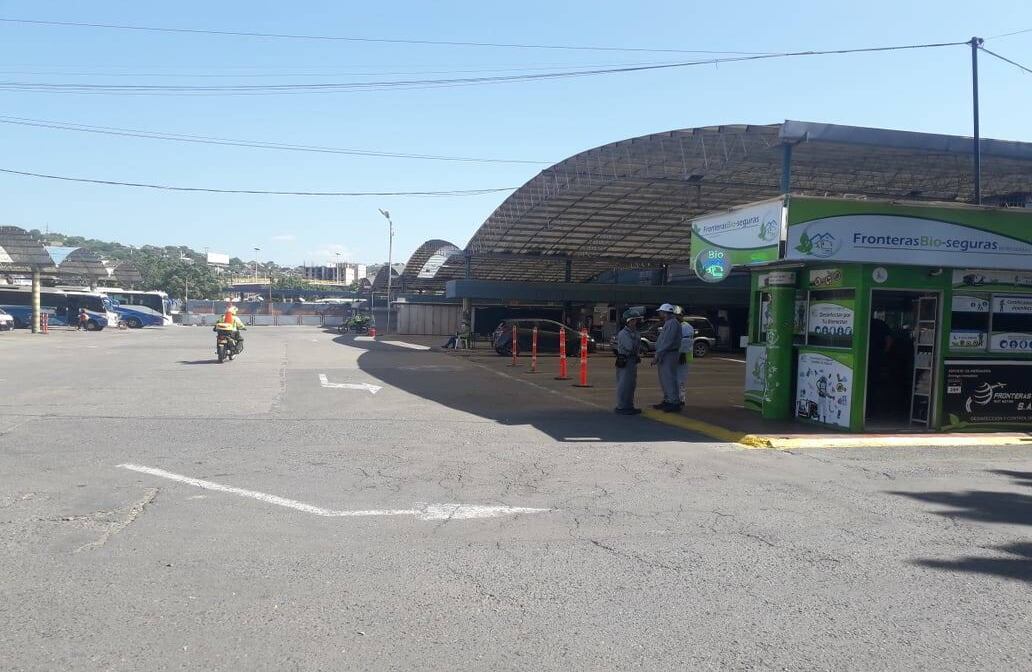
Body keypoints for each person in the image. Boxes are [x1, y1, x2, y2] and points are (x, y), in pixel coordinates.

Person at [614, 306, 645, 415]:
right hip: (625, 360)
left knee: (631, 384)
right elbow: (630, 347)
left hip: (632, 360)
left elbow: (637, 347)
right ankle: (622, 406)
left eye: (635, 320)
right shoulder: (624, 333)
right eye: (632, 320)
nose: (635, 322)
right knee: (624, 384)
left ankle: (629, 405)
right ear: (627, 321)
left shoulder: (635, 332)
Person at [652, 303, 682, 412]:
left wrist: (658, 354)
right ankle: (668, 400)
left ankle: (674, 402)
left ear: (665, 312)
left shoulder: (672, 323)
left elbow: (667, 342)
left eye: (660, 312)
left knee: (669, 378)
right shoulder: (669, 323)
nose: (659, 313)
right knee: (664, 379)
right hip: (665, 354)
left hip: (669, 354)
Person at [674, 306, 695, 404]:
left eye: (678, 315)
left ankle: (680, 399)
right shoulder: (675, 325)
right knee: (675, 380)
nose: (676, 317)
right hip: (675, 357)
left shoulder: (686, 326)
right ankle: (675, 399)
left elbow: (686, 342)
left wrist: (682, 354)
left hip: (683, 358)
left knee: (680, 380)